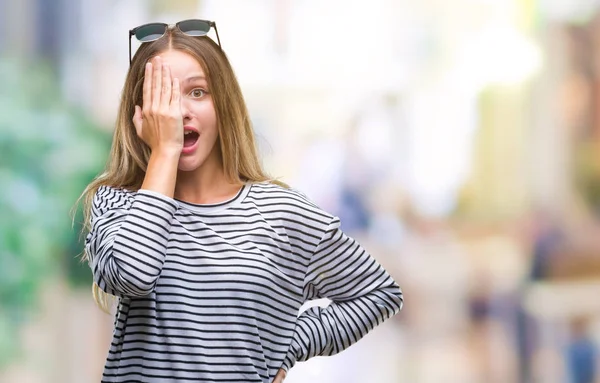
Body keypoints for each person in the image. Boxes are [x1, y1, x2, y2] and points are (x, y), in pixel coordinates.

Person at [78, 19, 403, 383]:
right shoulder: (116, 205)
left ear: (224, 104)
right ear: (141, 114)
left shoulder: (282, 214)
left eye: (197, 92)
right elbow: (132, 275)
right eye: (162, 97)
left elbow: (378, 293)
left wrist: (286, 346)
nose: (178, 112)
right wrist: (164, 152)